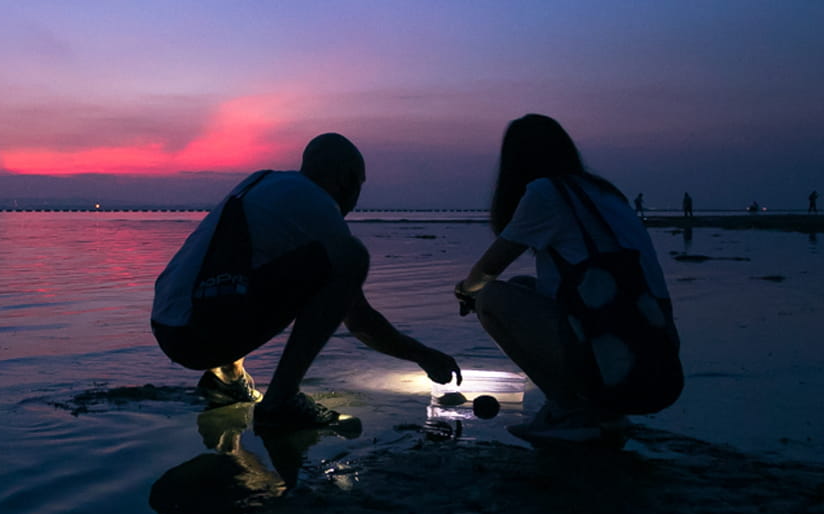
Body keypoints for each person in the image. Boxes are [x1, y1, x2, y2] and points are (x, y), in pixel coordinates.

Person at [152, 133, 460, 433]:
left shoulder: (262, 184)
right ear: (348, 181)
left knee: (263, 262)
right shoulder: (319, 205)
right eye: (358, 186)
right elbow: (360, 321)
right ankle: (281, 399)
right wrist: (425, 355)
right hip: (198, 333)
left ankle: (228, 378)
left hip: (168, 323)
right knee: (350, 257)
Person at [451, 115, 682, 442]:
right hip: (656, 355)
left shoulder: (547, 192)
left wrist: (464, 291)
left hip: (620, 364)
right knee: (520, 287)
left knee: (490, 297)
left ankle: (569, 411)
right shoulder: (604, 193)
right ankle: (605, 413)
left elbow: (487, 270)